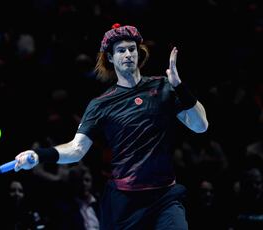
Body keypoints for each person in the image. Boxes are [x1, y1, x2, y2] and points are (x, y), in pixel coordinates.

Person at [14, 23, 208, 229]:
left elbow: (200, 125)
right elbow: (76, 149)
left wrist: (179, 86)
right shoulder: (101, 105)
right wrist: (38, 155)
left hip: (165, 197)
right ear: (110, 57)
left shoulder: (163, 88)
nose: (128, 55)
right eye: (121, 50)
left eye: (132, 49)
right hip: (125, 203)